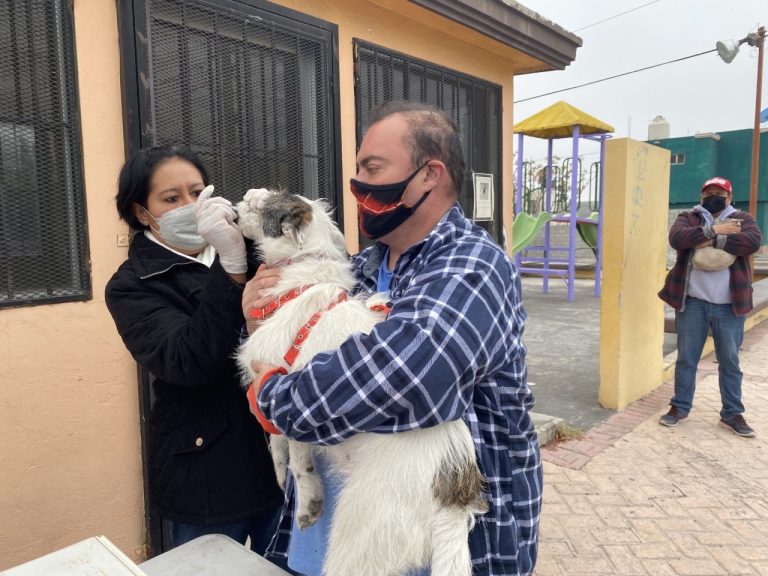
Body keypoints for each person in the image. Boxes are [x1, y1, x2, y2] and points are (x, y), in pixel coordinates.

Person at [244, 101, 542, 575]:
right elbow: (292, 352)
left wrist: (275, 398)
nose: (357, 183)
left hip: (431, 536)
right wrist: (256, 316)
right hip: (336, 528)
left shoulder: (473, 267)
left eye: (372, 168)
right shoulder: (359, 270)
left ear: (429, 175)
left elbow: (406, 377)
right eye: (358, 168)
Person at [104, 144, 284, 553]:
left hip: (279, 453)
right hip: (205, 470)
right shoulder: (133, 285)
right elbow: (188, 361)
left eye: (196, 191)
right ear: (140, 212)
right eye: (171, 198)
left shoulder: (257, 250)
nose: (189, 204)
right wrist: (232, 267)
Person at [658, 176, 762, 437]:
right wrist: (714, 230)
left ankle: (732, 413)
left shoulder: (742, 218)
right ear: (702, 196)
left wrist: (711, 241)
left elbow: (751, 243)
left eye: (719, 192)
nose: (713, 196)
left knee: (729, 362)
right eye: (709, 192)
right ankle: (680, 407)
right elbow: (678, 239)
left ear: (729, 196)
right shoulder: (689, 216)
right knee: (686, 359)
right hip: (692, 302)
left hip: (730, 306)